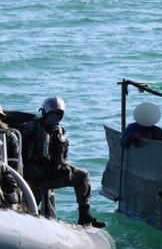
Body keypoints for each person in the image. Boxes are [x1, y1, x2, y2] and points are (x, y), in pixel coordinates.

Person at [20, 97, 106, 227]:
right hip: (35, 177)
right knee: (28, 209)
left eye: (58, 114)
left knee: (82, 176)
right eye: (52, 114)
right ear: (44, 113)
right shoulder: (31, 127)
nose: (55, 117)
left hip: (55, 174)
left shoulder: (60, 132)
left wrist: (65, 166)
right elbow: (16, 146)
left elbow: (63, 156)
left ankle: (85, 216)